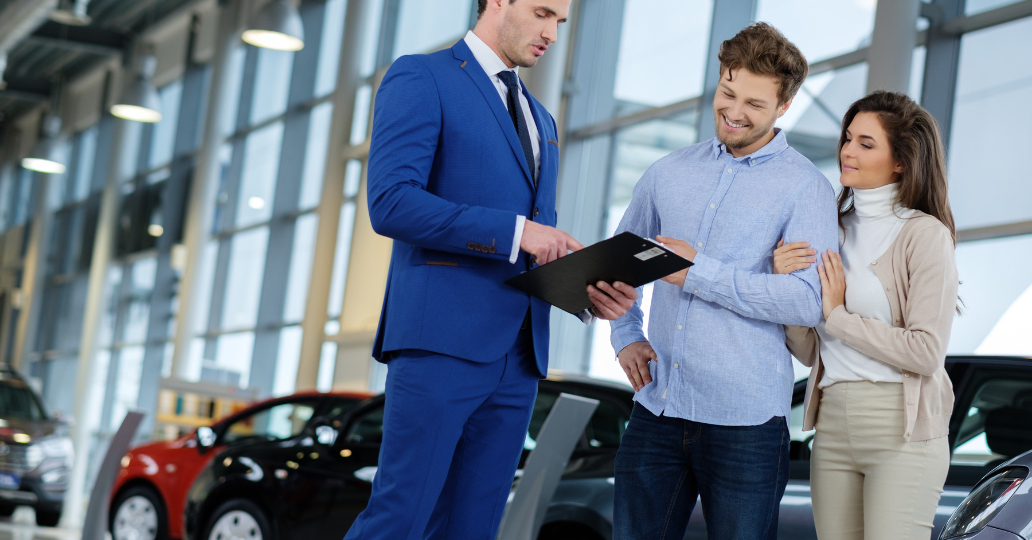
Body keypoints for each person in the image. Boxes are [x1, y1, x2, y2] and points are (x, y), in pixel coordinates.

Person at [345, 1, 638, 539]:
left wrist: (584, 291)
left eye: (561, 23)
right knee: (400, 518)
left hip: (519, 356)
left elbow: (539, 246)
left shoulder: (542, 119)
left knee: (473, 527)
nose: (551, 33)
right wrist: (515, 231)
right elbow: (391, 202)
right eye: (542, 13)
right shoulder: (422, 76)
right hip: (440, 342)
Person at [609, 23, 838, 540]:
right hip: (656, 407)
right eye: (727, 93)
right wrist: (626, 334)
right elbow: (619, 260)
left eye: (754, 104)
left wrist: (696, 273)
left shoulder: (806, 189)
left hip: (746, 424)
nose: (734, 112)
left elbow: (807, 302)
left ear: (785, 106)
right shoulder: (668, 172)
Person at [773, 91, 958, 539]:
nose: (848, 151)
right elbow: (809, 351)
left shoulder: (924, 235)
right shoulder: (828, 229)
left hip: (902, 431)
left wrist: (836, 316)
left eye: (866, 143)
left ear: (900, 162)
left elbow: (926, 352)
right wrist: (786, 289)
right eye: (848, 138)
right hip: (832, 424)